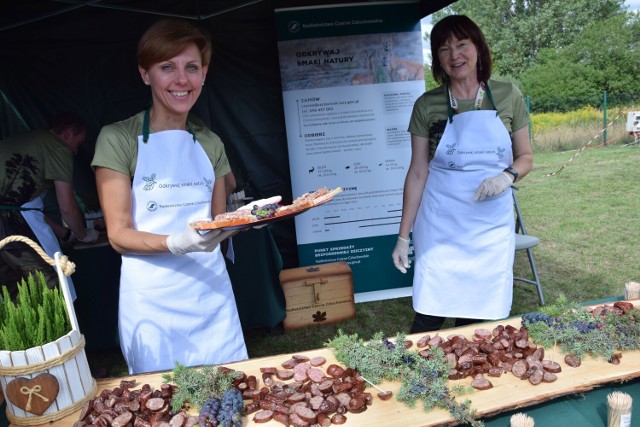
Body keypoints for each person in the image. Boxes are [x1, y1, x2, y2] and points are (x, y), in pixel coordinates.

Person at [91, 19, 247, 374]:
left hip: (210, 295)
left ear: (204, 74)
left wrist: (249, 220)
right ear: (146, 74)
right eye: (167, 67)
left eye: (191, 67)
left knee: (229, 391)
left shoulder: (210, 142)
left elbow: (218, 222)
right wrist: (178, 241)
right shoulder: (117, 139)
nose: (182, 80)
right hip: (152, 299)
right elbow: (118, 233)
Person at [391, 15, 534, 333]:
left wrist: (507, 176)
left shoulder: (507, 95)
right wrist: (403, 236)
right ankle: (415, 373)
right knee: (430, 311)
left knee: (477, 318)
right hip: (441, 224)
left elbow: (525, 157)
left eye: (461, 44)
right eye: (444, 48)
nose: (454, 55)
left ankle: (465, 374)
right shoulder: (427, 105)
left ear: (478, 48)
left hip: (489, 227)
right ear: (437, 59)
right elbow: (417, 172)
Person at [0, 112, 99, 298]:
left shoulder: (28, 143)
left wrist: (66, 233)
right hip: (8, 227)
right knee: (52, 287)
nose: (75, 152)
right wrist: (84, 234)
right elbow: (67, 206)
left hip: (11, 221)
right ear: (68, 133)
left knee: (13, 291)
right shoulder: (57, 147)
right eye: (77, 144)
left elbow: (30, 210)